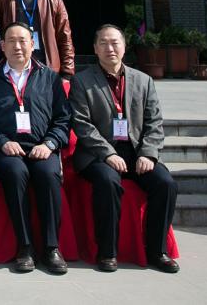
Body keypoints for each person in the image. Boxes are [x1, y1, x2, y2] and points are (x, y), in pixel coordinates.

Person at [69, 25, 179, 273]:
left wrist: (148, 154)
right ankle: (107, 252)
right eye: (104, 43)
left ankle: (157, 251)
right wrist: (108, 153)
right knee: (107, 181)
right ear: (95, 49)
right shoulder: (81, 81)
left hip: (136, 152)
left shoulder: (143, 80)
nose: (110, 48)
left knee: (166, 184)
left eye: (115, 42)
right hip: (97, 155)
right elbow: (82, 124)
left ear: (124, 46)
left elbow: (154, 122)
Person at [0, 22, 70, 274]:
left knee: (48, 174)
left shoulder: (50, 77)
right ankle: (25, 247)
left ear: (33, 44)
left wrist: (50, 143)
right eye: (11, 41)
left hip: (42, 146)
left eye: (23, 41)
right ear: (2, 46)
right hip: (6, 148)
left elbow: (63, 119)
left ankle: (52, 247)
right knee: (15, 172)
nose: (17, 46)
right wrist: (1, 142)